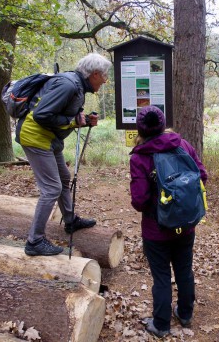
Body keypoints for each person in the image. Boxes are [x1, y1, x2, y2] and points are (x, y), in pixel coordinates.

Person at [15, 53, 112, 256]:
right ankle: (35, 241)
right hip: (36, 137)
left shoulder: (76, 85)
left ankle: (70, 221)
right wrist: (75, 121)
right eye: (104, 76)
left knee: (64, 178)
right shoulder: (68, 85)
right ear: (94, 74)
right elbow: (42, 115)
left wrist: (82, 120)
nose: (105, 80)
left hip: (50, 138)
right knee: (51, 188)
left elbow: (61, 113)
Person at [129, 106, 208, 338]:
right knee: (184, 269)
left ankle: (161, 325)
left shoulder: (140, 156)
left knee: (162, 276)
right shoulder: (182, 145)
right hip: (187, 224)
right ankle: (185, 313)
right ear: (163, 124)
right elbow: (202, 175)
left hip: (157, 230)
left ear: (140, 129)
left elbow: (139, 200)